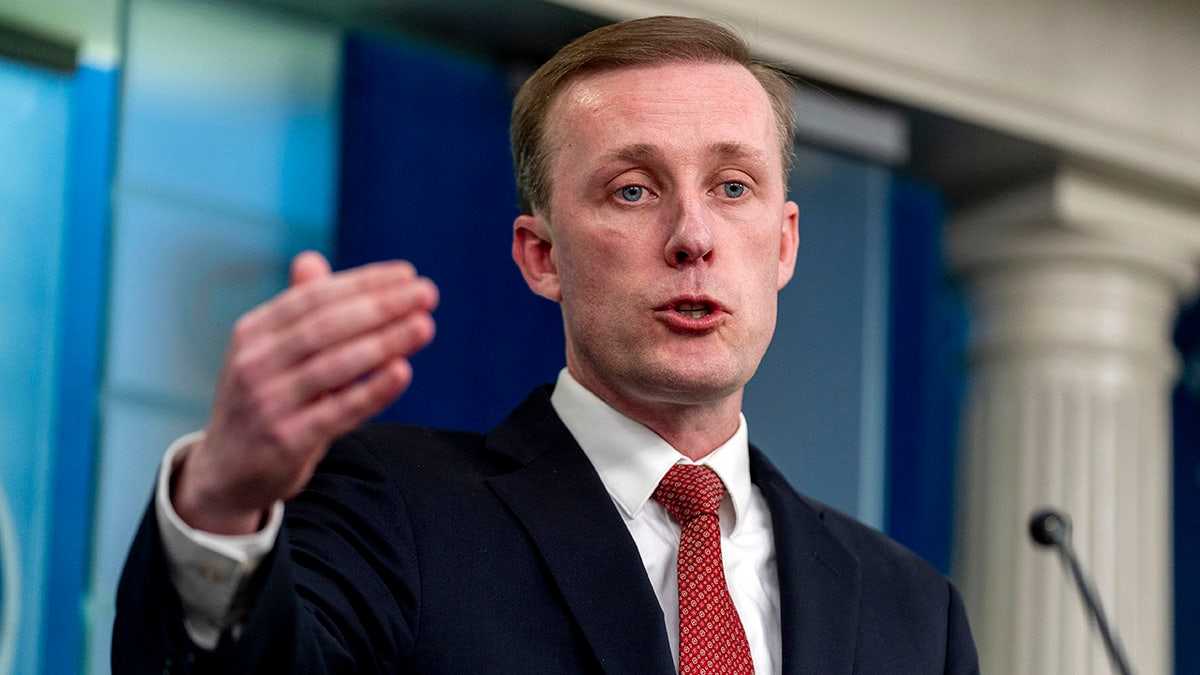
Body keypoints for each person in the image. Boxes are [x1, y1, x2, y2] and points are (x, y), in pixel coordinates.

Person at [113, 15, 979, 674]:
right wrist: (219, 506)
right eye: (634, 190)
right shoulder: (394, 509)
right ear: (541, 255)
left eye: (732, 185)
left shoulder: (912, 612)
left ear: (784, 243)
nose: (693, 236)